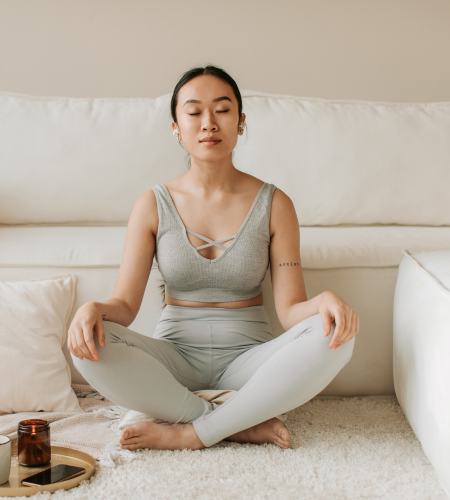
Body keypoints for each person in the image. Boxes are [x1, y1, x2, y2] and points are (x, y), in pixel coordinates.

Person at [68, 65, 359, 452]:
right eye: (194, 112)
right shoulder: (151, 205)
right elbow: (124, 305)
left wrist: (323, 302)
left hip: (249, 364)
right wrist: (93, 308)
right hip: (173, 363)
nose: (209, 123)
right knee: (87, 346)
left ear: (240, 123)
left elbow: (290, 311)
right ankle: (233, 423)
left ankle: (192, 431)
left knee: (338, 337)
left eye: (222, 110)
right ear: (176, 127)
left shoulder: (275, 203)